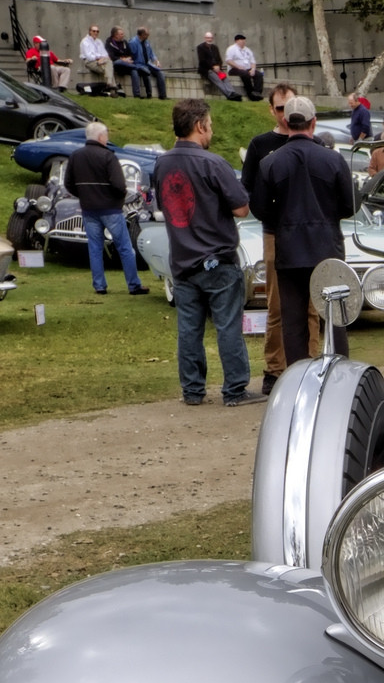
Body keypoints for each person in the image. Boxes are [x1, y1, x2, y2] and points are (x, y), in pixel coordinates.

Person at [154, 98, 259, 406]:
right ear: (200, 126)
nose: (211, 131)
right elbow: (241, 207)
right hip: (217, 259)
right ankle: (235, 388)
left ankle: (193, 390)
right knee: (228, 326)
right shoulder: (212, 163)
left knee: (189, 329)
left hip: (183, 260)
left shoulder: (162, 164)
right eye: (210, 125)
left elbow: (164, 205)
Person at [251, 94, 356, 369]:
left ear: (286, 121)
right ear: (314, 122)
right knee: (335, 316)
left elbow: (260, 208)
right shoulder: (333, 160)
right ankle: (340, 371)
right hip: (327, 247)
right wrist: (327, 215)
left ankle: (297, 375)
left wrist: (284, 220)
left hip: (289, 248)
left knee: (293, 319)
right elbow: (349, 205)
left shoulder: (271, 163)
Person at [241, 83, 311, 391]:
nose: (287, 114)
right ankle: (274, 368)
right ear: (272, 110)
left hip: (308, 234)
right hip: (275, 233)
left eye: (292, 107)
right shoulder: (261, 145)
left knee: (312, 304)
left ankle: (311, 363)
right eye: (281, 108)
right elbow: (249, 191)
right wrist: (271, 215)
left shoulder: (314, 143)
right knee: (277, 304)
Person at [67, 121, 147, 296]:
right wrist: (119, 198)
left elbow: (69, 184)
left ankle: (99, 286)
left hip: (89, 209)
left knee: (95, 248)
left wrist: (85, 195)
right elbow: (119, 185)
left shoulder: (76, 156)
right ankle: (134, 285)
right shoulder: (108, 156)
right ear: (101, 137)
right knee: (125, 247)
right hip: (110, 209)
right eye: (106, 135)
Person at [127, 27, 167, 99]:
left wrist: (156, 61)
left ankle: (163, 95)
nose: (148, 36)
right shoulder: (133, 42)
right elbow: (131, 55)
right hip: (138, 64)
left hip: (148, 63)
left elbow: (151, 53)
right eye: (146, 34)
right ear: (141, 34)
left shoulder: (146, 42)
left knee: (160, 73)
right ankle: (149, 94)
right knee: (146, 72)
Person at [196, 31, 237, 100]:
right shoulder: (200, 47)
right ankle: (229, 95)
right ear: (205, 38)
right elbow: (202, 61)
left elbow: (219, 59)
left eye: (211, 38)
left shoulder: (215, 47)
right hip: (207, 69)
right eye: (208, 38)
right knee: (217, 80)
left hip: (217, 69)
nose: (209, 39)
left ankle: (232, 92)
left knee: (224, 78)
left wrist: (218, 66)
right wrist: (212, 67)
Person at [225, 33, 262, 101]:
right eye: (241, 40)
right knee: (245, 74)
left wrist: (253, 69)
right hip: (234, 69)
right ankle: (250, 93)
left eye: (244, 40)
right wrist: (238, 66)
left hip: (247, 68)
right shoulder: (231, 49)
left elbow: (253, 61)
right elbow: (228, 60)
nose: (243, 41)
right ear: (236, 41)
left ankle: (257, 92)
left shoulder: (247, 50)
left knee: (258, 74)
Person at [105, 27, 136, 92]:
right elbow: (112, 57)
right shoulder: (109, 43)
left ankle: (137, 94)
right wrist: (123, 59)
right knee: (119, 62)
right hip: (116, 65)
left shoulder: (124, 42)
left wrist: (128, 59)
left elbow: (131, 55)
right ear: (116, 35)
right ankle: (137, 67)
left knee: (134, 71)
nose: (123, 35)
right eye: (121, 34)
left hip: (127, 64)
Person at [79, 24, 110, 88]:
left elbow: (105, 54)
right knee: (108, 68)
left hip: (102, 61)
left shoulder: (99, 41)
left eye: (97, 31)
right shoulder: (85, 41)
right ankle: (111, 87)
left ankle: (111, 86)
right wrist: (99, 58)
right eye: (94, 31)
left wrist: (102, 59)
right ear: (90, 31)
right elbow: (89, 57)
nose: (96, 33)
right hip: (90, 62)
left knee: (110, 64)